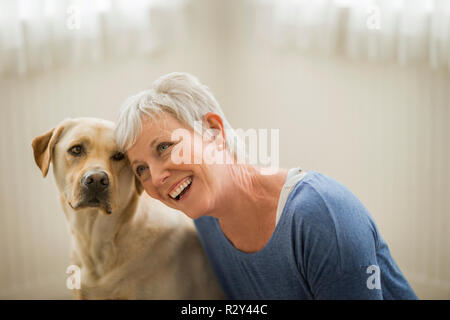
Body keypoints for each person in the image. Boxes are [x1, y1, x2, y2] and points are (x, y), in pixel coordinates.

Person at [114, 72, 418, 300]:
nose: (155, 178)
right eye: (141, 169)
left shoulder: (320, 216)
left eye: (164, 147)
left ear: (213, 131)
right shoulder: (205, 220)